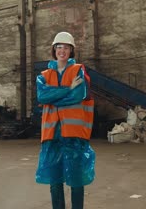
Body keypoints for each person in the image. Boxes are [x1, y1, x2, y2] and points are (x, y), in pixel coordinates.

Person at [35, 31, 96, 209]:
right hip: (52, 134)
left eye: (66, 47)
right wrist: (68, 88)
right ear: (54, 50)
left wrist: (55, 96)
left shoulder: (79, 70)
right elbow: (42, 96)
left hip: (74, 134)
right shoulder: (44, 75)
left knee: (76, 179)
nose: (62, 50)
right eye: (59, 47)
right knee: (55, 180)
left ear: (71, 51)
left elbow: (78, 96)